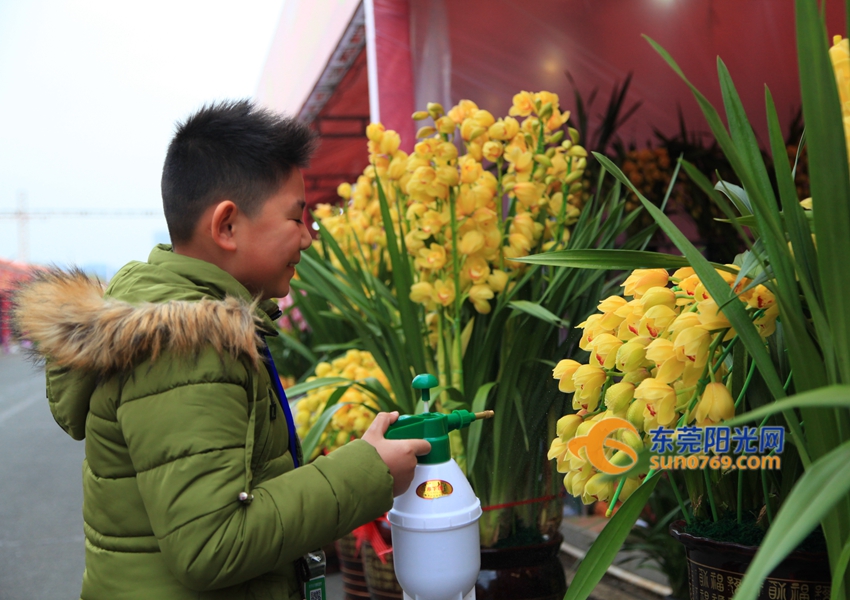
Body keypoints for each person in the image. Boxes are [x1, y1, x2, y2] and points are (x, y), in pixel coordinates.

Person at [13, 100, 430, 600]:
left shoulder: (180, 323)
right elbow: (211, 544)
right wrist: (369, 471)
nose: (309, 237)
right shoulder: (186, 347)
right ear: (227, 226)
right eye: (296, 218)